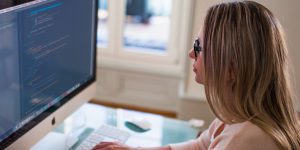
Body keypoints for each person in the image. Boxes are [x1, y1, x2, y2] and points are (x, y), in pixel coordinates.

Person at [92, 1, 300, 149]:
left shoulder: (246, 141)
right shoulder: (238, 112)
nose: (191, 54)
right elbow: (201, 145)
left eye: (198, 47)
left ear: (231, 69)